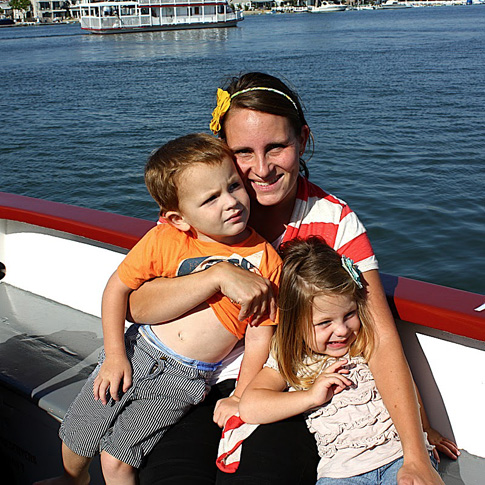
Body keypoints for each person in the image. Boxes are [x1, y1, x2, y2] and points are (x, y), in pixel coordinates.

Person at [132, 72, 455, 484]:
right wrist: (217, 276)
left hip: (284, 386)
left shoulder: (335, 222)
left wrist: (415, 453)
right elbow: (136, 305)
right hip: (190, 380)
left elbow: (379, 336)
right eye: (243, 152)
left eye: (276, 147)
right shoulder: (203, 211)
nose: (262, 168)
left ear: (302, 139)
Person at [37, 133, 282, 485]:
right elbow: (117, 289)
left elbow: (259, 338)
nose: (231, 202)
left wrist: (240, 395)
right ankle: (72, 480)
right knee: (79, 432)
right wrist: (114, 356)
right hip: (138, 349)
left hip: (184, 378)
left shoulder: (266, 261)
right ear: (178, 218)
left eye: (234, 186)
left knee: (118, 457)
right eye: (211, 198)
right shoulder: (165, 239)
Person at [237, 237, 438, 484]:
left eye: (349, 314)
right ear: (295, 323)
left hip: (397, 457)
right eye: (324, 323)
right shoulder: (292, 359)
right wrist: (311, 397)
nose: (342, 330)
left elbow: (403, 384)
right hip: (341, 472)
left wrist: (426, 430)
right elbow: (250, 406)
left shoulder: (363, 341)